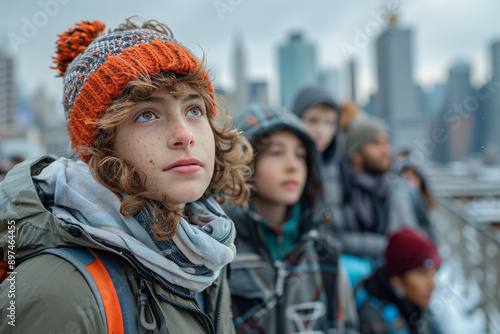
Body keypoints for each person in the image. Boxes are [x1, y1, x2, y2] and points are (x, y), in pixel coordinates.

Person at [0, 18, 252, 333]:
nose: (184, 134)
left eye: (194, 110)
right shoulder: (59, 291)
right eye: (147, 114)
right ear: (99, 145)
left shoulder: (206, 257)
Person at [224, 104, 359, 334]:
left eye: (301, 155)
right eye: (276, 153)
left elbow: (346, 327)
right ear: (241, 162)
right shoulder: (219, 252)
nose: (293, 165)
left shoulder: (322, 253)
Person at [340, 114, 419, 288]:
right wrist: (388, 247)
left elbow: (412, 233)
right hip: (352, 285)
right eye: (376, 143)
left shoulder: (397, 188)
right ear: (356, 154)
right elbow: (336, 238)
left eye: (386, 142)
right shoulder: (340, 187)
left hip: (393, 281)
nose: (386, 150)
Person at [357, 228, 443, 334]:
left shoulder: (417, 308)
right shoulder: (372, 317)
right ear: (396, 279)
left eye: (433, 274)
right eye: (422, 274)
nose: (432, 284)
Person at [291, 86, 345, 229]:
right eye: (313, 120)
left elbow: (336, 231)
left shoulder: (336, 167)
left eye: (330, 122)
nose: (322, 131)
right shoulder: (289, 167)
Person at [398, 160, 437, 240]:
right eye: (406, 178)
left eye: (412, 177)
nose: (410, 183)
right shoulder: (402, 199)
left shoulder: (423, 199)